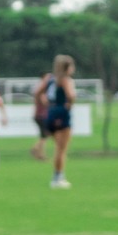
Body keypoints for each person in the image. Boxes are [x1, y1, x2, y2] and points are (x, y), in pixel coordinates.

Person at [46, 54, 75, 188]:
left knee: (58, 148)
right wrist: (69, 104)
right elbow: (71, 95)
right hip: (62, 115)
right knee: (61, 149)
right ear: (67, 67)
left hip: (51, 113)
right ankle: (58, 178)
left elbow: (38, 92)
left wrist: (47, 104)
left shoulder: (51, 79)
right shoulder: (65, 80)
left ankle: (56, 177)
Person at [31, 72, 52, 162]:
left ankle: (39, 153)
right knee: (45, 135)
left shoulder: (39, 88)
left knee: (44, 135)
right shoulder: (42, 89)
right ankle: (37, 150)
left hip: (39, 115)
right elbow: (44, 102)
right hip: (42, 115)